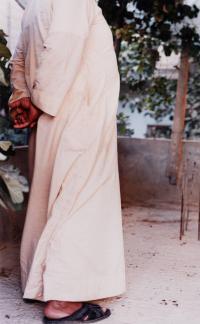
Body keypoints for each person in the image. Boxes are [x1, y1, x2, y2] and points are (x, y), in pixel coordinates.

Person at [9, 0, 126, 322]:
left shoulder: (34, 6)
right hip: (77, 117)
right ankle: (63, 301)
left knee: (52, 197)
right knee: (79, 202)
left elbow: (19, 56)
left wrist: (22, 96)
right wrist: (40, 101)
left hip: (52, 115)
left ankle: (44, 284)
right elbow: (64, 46)